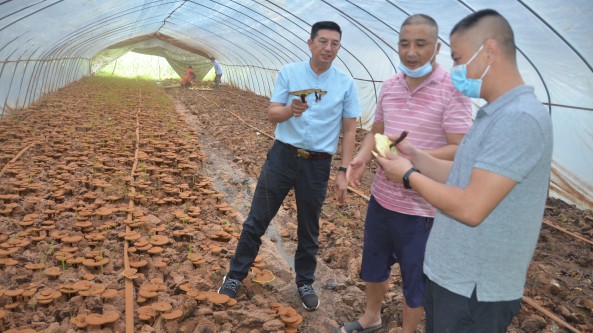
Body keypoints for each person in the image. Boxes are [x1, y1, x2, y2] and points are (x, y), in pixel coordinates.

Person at [375, 9, 553, 333]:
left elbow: (471, 207)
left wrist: (407, 175)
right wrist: (413, 156)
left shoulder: (519, 119)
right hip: (451, 278)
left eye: (458, 59)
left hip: (473, 290)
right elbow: (460, 176)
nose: (455, 69)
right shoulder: (494, 114)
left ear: (488, 52)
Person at [339, 14, 473, 333]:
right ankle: (372, 317)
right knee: (373, 266)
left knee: (415, 279)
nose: (411, 51)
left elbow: (460, 148)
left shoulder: (453, 90)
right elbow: (378, 130)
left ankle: (408, 330)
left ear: (437, 47)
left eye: (420, 44)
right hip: (382, 199)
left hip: (423, 208)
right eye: (404, 43)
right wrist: (360, 157)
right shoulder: (389, 86)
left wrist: (412, 161)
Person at [218, 21, 360, 311]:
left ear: (339, 48)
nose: (328, 48)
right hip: (283, 157)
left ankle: (305, 281)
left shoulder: (345, 83)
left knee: (309, 227)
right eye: (323, 41)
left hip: (318, 165)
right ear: (310, 43)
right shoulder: (290, 72)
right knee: (257, 219)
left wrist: (344, 171)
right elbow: (272, 114)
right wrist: (289, 110)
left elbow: (350, 129)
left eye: (334, 43)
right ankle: (235, 275)